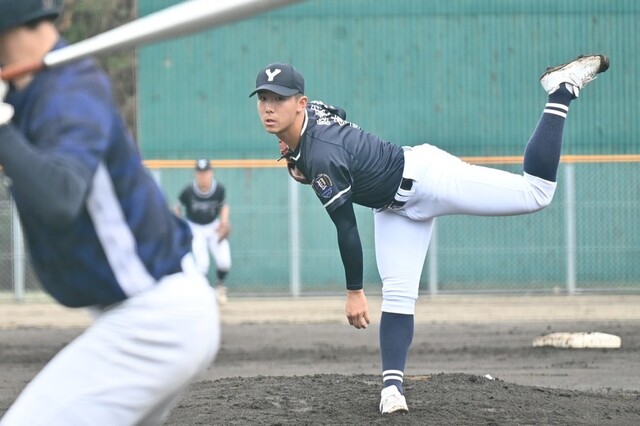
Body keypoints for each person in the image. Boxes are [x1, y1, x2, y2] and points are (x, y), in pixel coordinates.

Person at [250, 56, 609, 414]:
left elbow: (346, 226)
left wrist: (355, 292)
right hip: (393, 209)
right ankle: (392, 390)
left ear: (299, 104)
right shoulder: (313, 113)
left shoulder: (324, 155)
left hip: (427, 177)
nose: (269, 107)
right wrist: (295, 150)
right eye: (264, 98)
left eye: (279, 99)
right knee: (398, 295)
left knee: (536, 194)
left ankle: (559, 92)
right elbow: (336, 112)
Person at [0, 2, 220, 424]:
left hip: (153, 320)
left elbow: (60, 197)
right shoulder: (30, 94)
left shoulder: (68, 93)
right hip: (142, 315)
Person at [175, 159, 232, 304]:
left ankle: (219, 286)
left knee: (224, 261)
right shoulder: (189, 190)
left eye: (206, 172)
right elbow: (177, 207)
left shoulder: (218, 189)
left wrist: (224, 222)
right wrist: (177, 224)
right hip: (195, 227)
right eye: (200, 173)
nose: (203, 175)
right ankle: (205, 295)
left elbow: (224, 206)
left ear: (211, 173)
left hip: (213, 226)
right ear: (196, 174)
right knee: (202, 265)